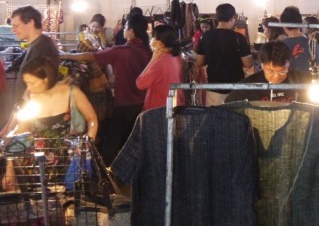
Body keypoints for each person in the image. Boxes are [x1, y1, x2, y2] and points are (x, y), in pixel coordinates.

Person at [62, 12, 152, 165]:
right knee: (130, 138)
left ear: (131, 32)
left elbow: (90, 56)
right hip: (141, 102)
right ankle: (128, 170)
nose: (123, 29)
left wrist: (64, 56)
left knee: (112, 139)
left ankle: (107, 173)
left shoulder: (120, 51)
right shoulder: (146, 51)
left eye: (125, 27)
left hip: (123, 103)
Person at [2, 56, 98, 192]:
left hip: (68, 158)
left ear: (46, 79)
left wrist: (88, 141)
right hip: (37, 163)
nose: (29, 87)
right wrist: (10, 169)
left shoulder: (72, 92)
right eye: (27, 83)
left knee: (71, 200)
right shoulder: (29, 97)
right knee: (41, 205)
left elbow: (92, 119)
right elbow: (20, 134)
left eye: (32, 83)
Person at [195, 3, 253, 107]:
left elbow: (199, 62)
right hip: (235, 88)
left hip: (214, 87)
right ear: (232, 18)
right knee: (235, 118)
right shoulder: (239, 37)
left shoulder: (205, 37)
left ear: (217, 18)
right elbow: (248, 64)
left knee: (215, 119)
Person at [225, 41, 311, 103]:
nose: (277, 76)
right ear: (262, 65)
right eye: (271, 72)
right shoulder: (250, 84)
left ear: (289, 63)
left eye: (282, 71)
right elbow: (228, 103)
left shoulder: (300, 79)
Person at [10, 6, 60, 103]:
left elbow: (38, 81)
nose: (13, 30)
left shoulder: (42, 46)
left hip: (34, 110)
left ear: (30, 23)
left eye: (16, 26)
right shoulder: (38, 44)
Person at [136, 24, 184, 111]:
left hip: (159, 109)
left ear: (160, 43)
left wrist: (152, 60)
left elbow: (140, 83)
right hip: (172, 104)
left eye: (153, 38)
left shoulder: (160, 62)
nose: (152, 40)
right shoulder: (174, 57)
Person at [280, 5, 319, 75]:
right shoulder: (312, 43)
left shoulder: (280, 46)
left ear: (284, 26)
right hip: (308, 84)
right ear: (300, 23)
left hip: (286, 84)